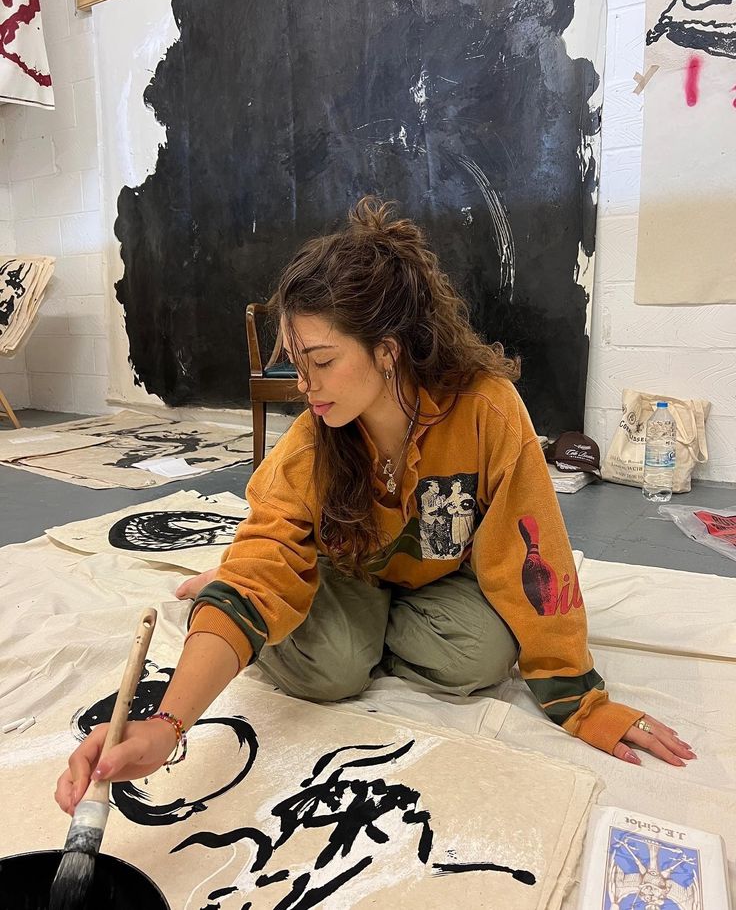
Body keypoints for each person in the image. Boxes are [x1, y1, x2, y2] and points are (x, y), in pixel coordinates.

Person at [55, 198, 696, 815]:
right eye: (297, 365)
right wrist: (170, 721)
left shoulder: (488, 410)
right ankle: (237, 603)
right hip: (350, 571)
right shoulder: (314, 440)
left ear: (387, 350)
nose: (304, 387)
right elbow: (266, 562)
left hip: (438, 577)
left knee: (480, 657)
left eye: (323, 362)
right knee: (328, 669)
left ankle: (327, 627)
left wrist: (580, 701)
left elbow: (534, 554)